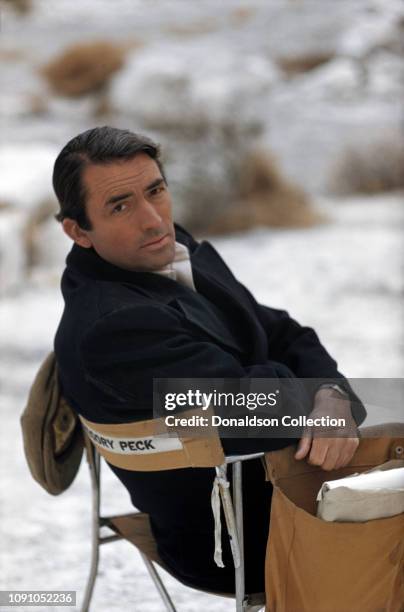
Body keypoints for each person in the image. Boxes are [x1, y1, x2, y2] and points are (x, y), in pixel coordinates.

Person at [53, 126, 366, 595]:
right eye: (120, 206)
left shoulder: (170, 248)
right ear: (78, 231)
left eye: (155, 191)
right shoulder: (114, 328)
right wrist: (314, 392)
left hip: (288, 483)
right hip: (238, 536)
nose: (153, 220)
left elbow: (284, 330)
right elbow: (258, 409)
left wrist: (330, 394)